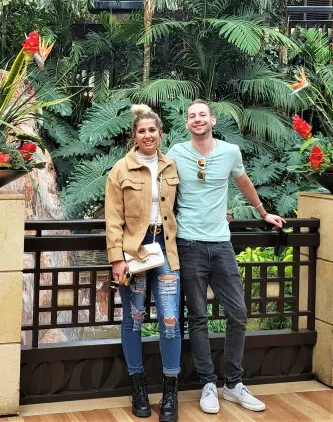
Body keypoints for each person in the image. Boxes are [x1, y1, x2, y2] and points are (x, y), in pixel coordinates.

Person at [166, 99, 286, 415]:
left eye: (202, 115)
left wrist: (263, 212)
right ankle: (208, 383)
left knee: (238, 312)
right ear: (187, 123)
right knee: (198, 317)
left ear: (213, 120)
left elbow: (243, 180)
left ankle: (233, 384)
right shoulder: (177, 152)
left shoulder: (230, 151)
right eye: (191, 116)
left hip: (221, 244)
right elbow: (163, 188)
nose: (197, 119)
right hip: (188, 243)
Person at [105, 104, 182, 422]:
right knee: (134, 319)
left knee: (170, 320)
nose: (148, 135)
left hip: (165, 249)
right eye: (142, 130)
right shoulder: (120, 170)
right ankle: (138, 389)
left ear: (160, 134)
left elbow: (184, 204)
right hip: (134, 252)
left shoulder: (171, 166)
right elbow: (112, 218)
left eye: (153, 130)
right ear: (134, 135)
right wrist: (116, 258)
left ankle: (170, 393)